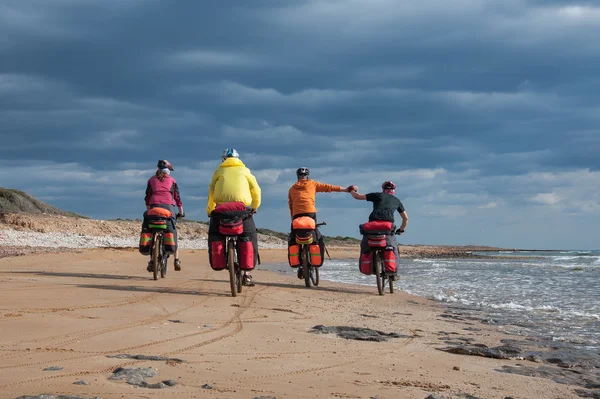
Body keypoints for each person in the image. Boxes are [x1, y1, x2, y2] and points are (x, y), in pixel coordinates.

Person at [288, 167, 356, 278]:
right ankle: (313, 257)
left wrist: (293, 219)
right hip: (310, 213)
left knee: (295, 236)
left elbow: (290, 205)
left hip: (296, 215)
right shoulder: (312, 184)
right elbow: (329, 188)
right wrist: (346, 189)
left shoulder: (291, 188)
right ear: (307, 176)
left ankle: (300, 264)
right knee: (314, 233)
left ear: (298, 177)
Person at [206, 148, 261, 286]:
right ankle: (247, 275)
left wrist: (210, 210)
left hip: (220, 211)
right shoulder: (245, 171)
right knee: (249, 235)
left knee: (215, 234)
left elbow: (211, 192)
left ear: (223, 159)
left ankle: (222, 261)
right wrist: (255, 207)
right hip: (242, 210)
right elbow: (256, 190)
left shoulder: (218, 171)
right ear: (238, 159)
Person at [350, 181, 408, 276]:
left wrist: (351, 189)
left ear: (383, 190)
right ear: (393, 191)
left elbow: (357, 196)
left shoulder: (377, 195)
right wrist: (401, 229)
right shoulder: (397, 201)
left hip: (371, 226)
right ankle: (393, 273)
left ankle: (371, 268)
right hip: (387, 228)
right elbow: (405, 218)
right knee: (393, 248)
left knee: (366, 247)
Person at [144, 159, 185, 272]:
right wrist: (181, 213)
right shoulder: (172, 181)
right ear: (168, 171)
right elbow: (178, 199)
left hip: (153, 208)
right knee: (173, 232)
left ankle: (152, 260)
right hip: (168, 209)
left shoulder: (151, 180)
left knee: (151, 232)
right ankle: (176, 259)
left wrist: (149, 210)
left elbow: (147, 197)